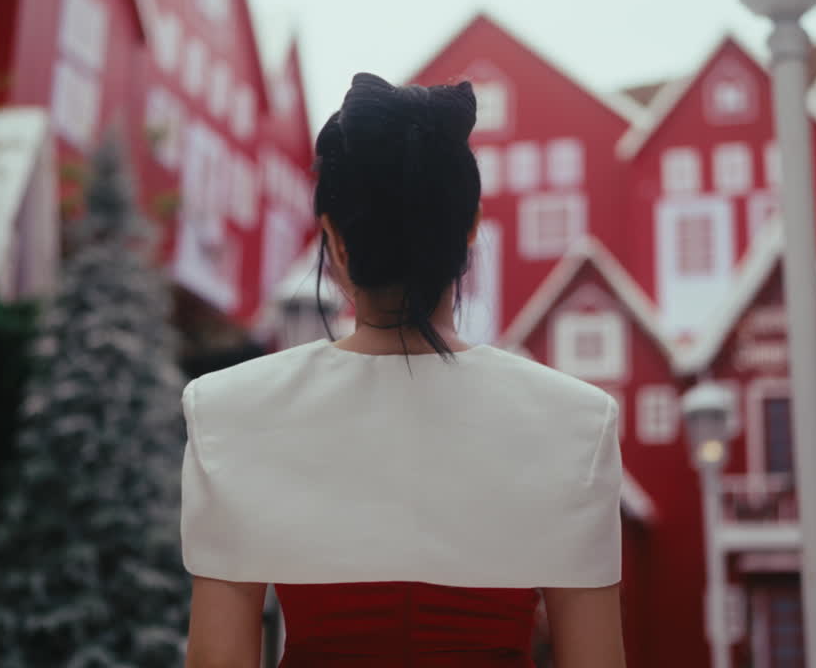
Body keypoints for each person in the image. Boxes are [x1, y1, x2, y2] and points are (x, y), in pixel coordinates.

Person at [181, 73, 625, 667]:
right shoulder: (577, 423)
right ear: (468, 233)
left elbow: (218, 660)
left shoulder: (231, 412)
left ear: (336, 243)